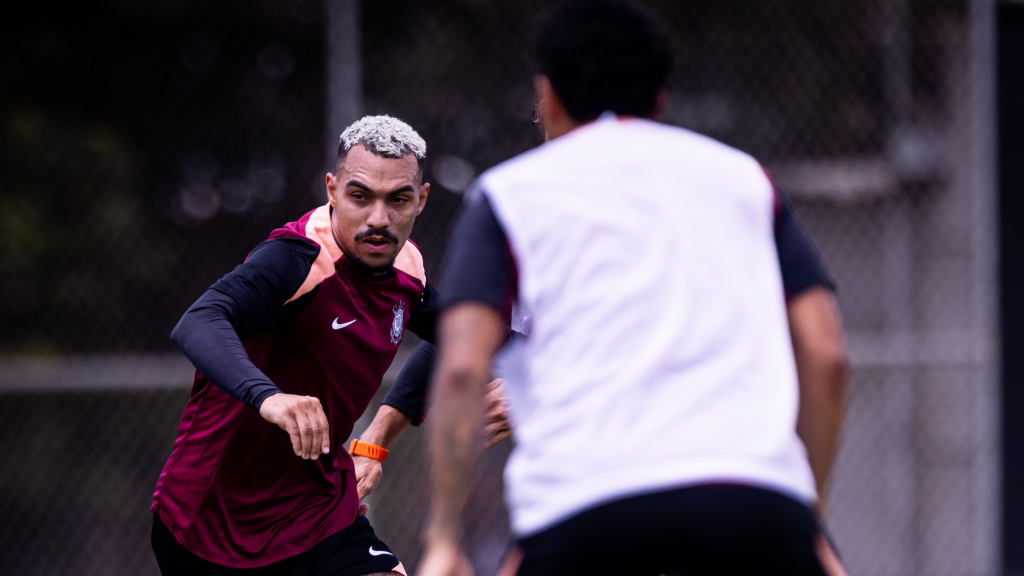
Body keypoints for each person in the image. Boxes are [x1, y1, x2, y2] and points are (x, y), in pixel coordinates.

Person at [418, 2, 849, 575]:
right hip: (749, 496)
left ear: (547, 96)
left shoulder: (506, 195)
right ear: (660, 99)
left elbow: (461, 370)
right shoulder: (743, 178)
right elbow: (826, 353)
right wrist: (804, 513)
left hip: (586, 503)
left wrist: (444, 538)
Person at [151, 115, 438, 576]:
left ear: (420, 200)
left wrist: (375, 444)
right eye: (360, 197)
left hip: (317, 510)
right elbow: (200, 320)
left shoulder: (407, 269)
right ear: (332, 190)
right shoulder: (297, 260)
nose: (378, 220)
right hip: (211, 524)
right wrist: (271, 398)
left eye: (398, 200)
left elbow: (461, 336)